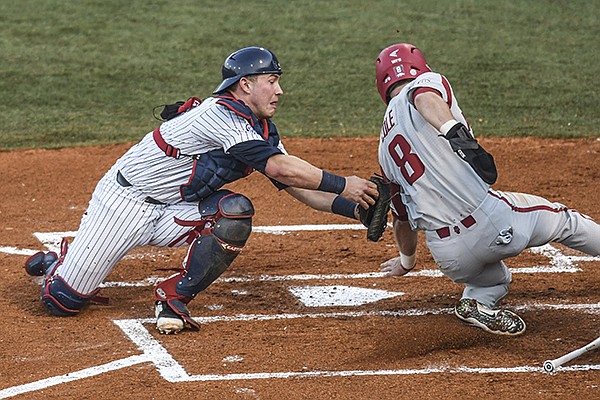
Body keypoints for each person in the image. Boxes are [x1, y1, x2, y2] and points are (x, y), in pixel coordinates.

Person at [24, 46, 379, 334]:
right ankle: (65, 261)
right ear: (245, 85)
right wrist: (343, 183)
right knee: (62, 301)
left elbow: (297, 184)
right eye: (271, 81)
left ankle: (175, 295)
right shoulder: (218, 115)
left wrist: (356, 207)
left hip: (173, 209)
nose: (279, 90)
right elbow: (279, 167)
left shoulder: (261, 129)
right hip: (124, 203)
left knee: (234, 212)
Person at [374, 43, 600, 336]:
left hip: (450, 256)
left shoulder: (383, 148)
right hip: (492, 223)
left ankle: (476, 302)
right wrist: (454, 132)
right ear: (418, 66)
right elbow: (424, 98)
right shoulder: (424, 82)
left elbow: (401, 218)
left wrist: (407, 262)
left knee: (493, 280)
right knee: (564, 221)